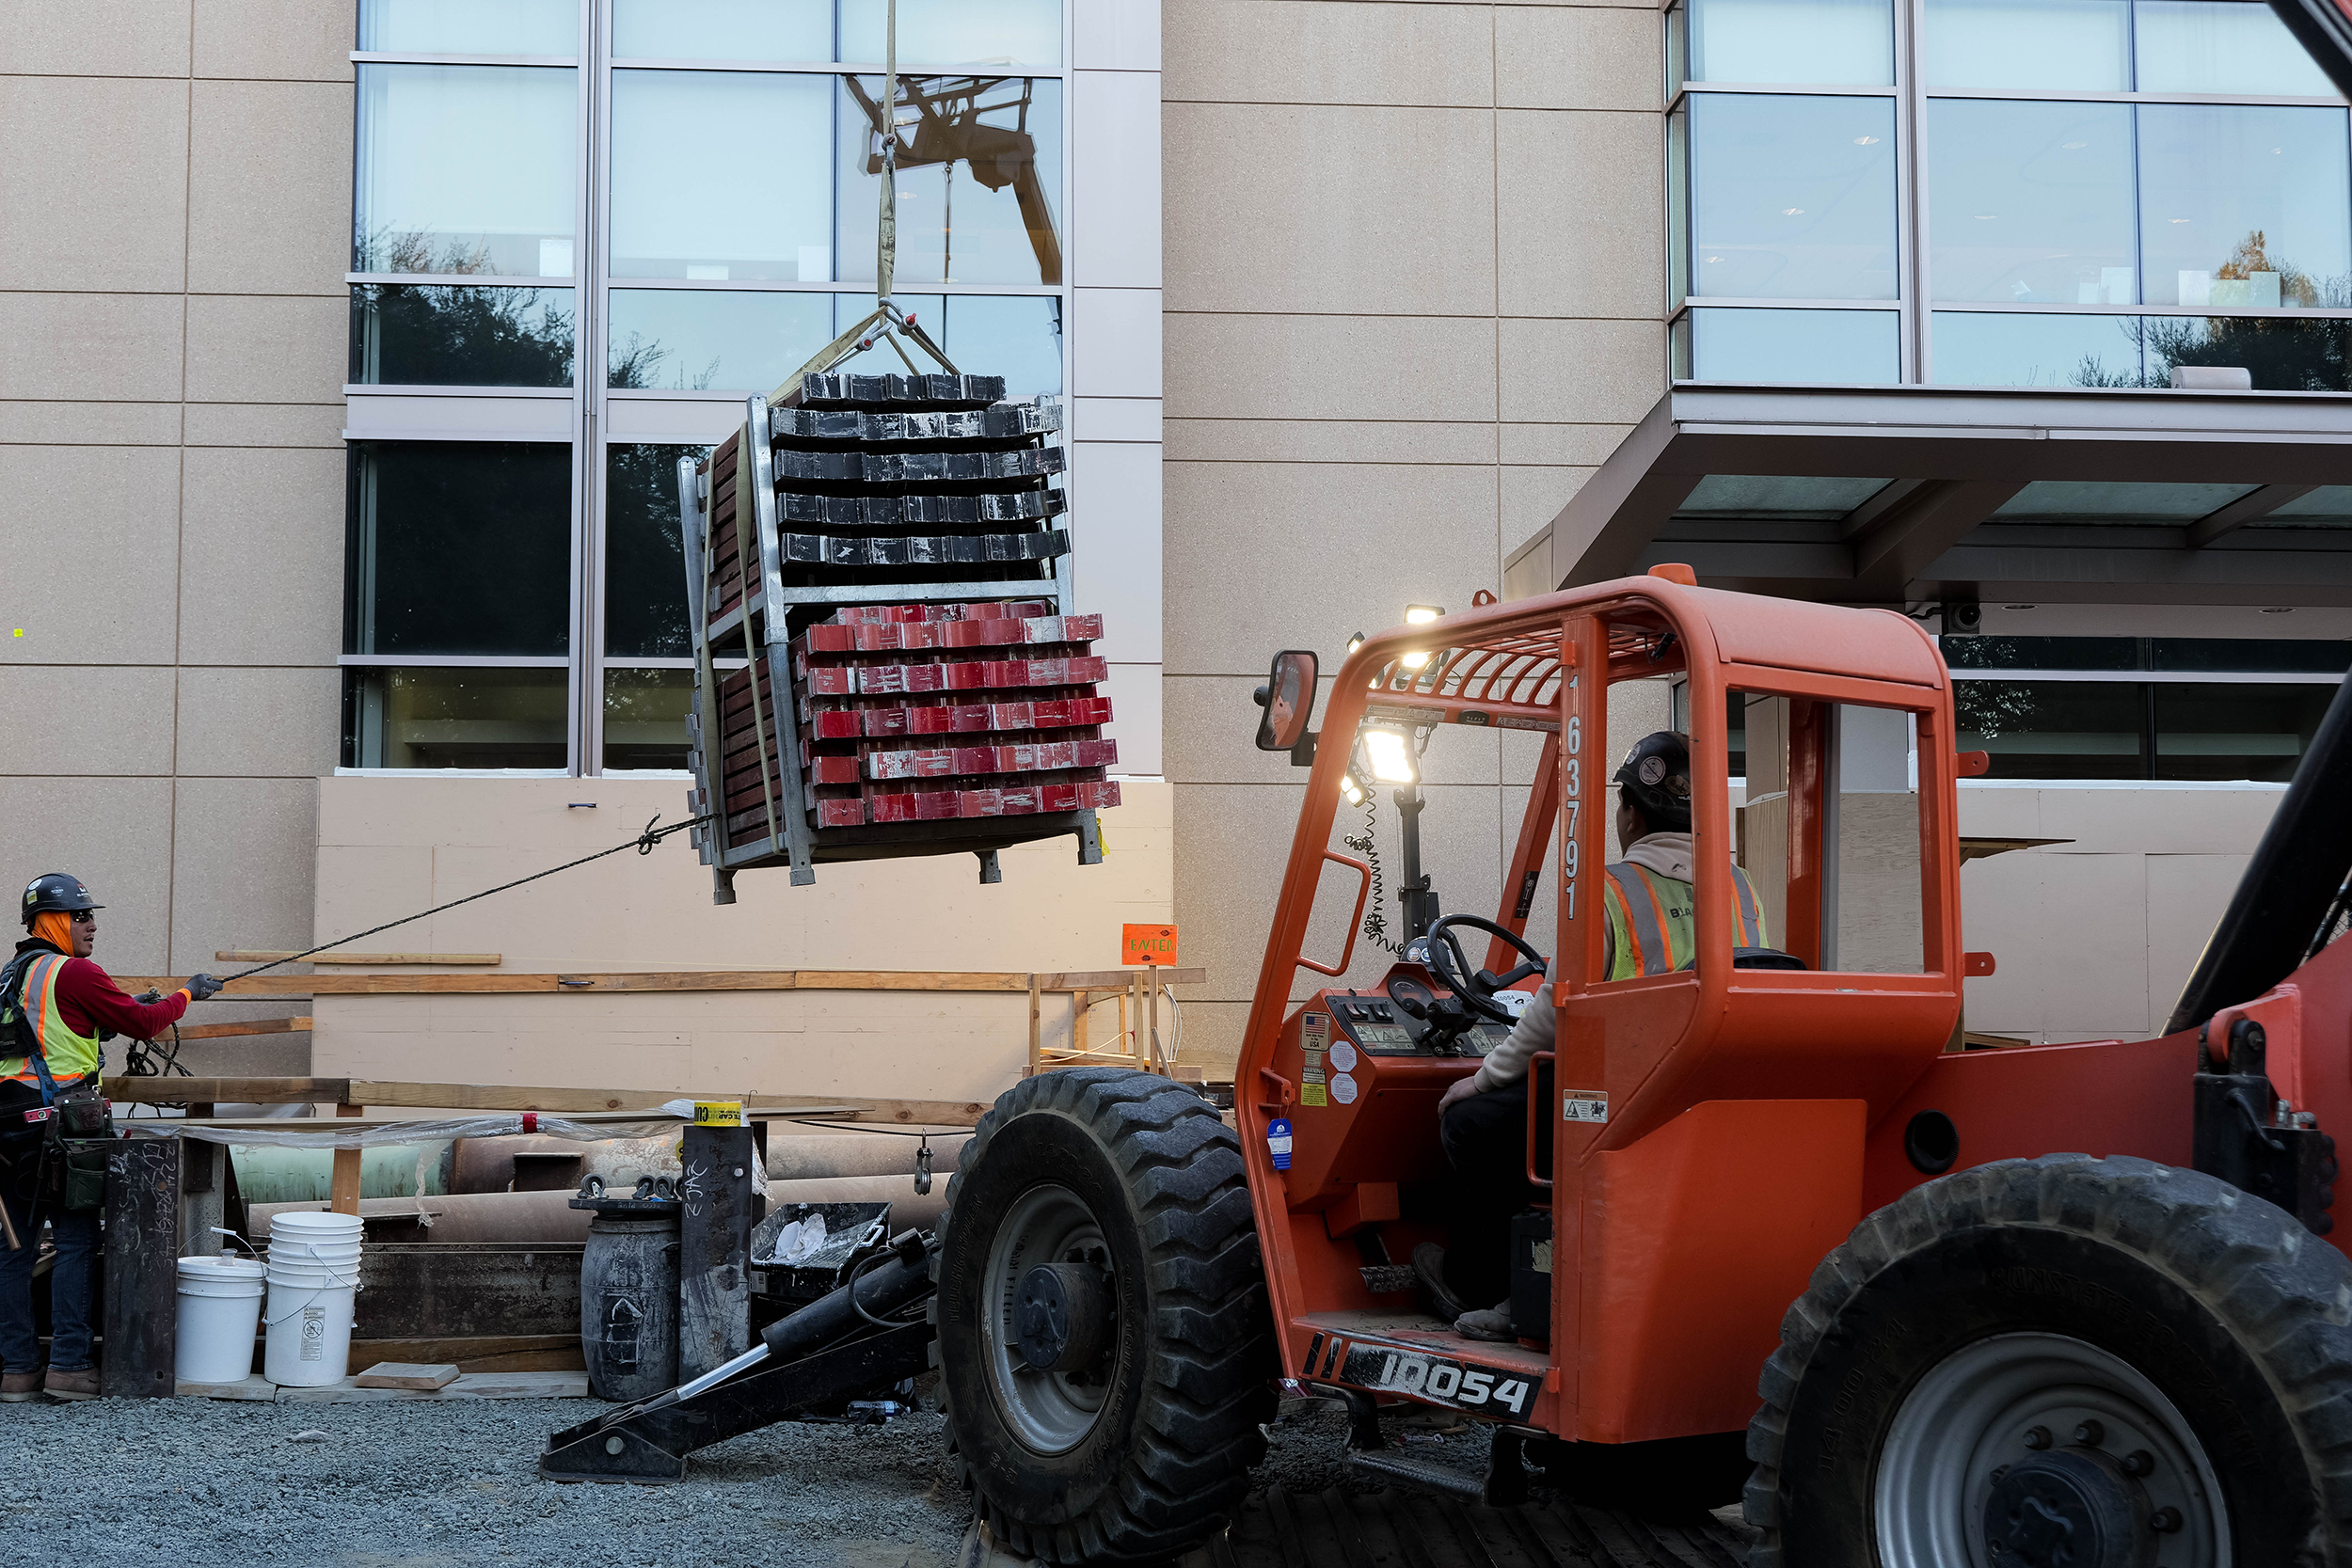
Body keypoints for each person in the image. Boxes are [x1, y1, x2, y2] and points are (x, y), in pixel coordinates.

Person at [1415, 732, 1768, 1340]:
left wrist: (1480, 1077)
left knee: (1471, 1123)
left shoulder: (1604, 891)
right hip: (1703, 1089)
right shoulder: (1741, 887)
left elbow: (1554, 1011)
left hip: (1615, 1096)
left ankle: (1490, 1284)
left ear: (1629, 812)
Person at [0, 874, 222, 1401]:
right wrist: (187, 993)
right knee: (77, 1240)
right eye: (81, 916)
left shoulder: (11, 978)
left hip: (9, 1132)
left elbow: (51, 1034)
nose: (92, 925)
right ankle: (70, 1367)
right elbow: (146, 1023)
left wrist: (113, 1017)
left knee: (14, 1252)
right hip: (62, 1133)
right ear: (53, 922)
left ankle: (16, 1372)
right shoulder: (74, 972)